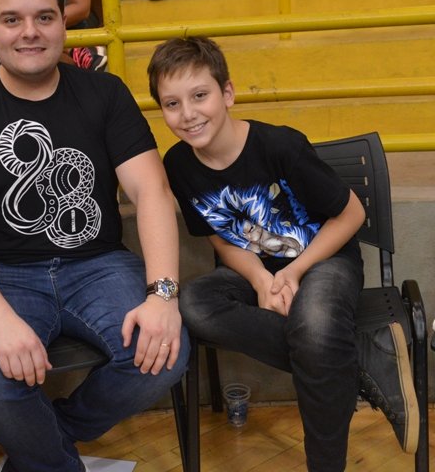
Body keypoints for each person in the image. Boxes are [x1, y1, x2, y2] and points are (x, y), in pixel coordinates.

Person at [0, 0, 189, 471]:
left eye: (44, 17)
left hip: (99, 265)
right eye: (12, 19)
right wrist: (0, 320)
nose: (30, 32)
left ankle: (47, 442)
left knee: (164, 353)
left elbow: (151, 191)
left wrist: (163, 295)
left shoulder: (105, 94)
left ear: (64, 22)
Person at [148, 36, 419, 470]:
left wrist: (294, 272)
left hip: (324, 258)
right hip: (255, 267)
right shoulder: (178, 165)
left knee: (316, 328)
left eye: (200, 95)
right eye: (172, 104)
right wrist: (260, 279)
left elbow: (351, 214)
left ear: (227, 93)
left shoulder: (280, 146)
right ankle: (361, 356)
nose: (188, 114)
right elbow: (221, 239)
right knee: (194, 303)